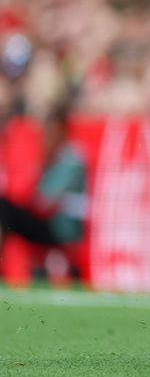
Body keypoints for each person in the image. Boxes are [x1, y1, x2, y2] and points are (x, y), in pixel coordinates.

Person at [0, 103, 88, 269]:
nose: (48, 138)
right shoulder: (52, 158)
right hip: (48, 224)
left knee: (3, 208)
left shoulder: (71, 159)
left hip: (60, 229)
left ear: (63, 132)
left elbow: (45, 201)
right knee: (4, 209)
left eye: (52, 133)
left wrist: (37, 173)